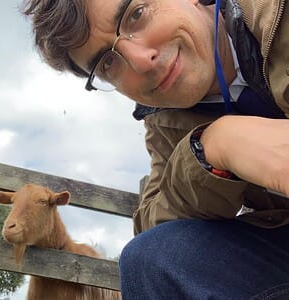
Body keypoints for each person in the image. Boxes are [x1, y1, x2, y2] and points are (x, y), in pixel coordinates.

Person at [22, 0, 289, 298]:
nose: (140, 61)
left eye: (137, 15)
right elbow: (152, 221)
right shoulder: (164, 122)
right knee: (149, 258)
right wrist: (209, 151)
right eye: (107, 63)